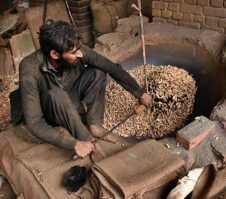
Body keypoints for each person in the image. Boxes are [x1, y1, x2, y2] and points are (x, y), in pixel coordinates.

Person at [19, 20, 151, 158]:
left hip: (71, 96)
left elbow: (111, 68)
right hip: (52, 109)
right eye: (73, 52)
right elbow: (34, 123)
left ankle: (95, 125)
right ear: (55, 54)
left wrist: (139, 92)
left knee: (97, 71)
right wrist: (74, 144)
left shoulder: (76, 49)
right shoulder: (30, 68)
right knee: (57, 95)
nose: (80, 54)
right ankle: (87, 140)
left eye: (79, 49)